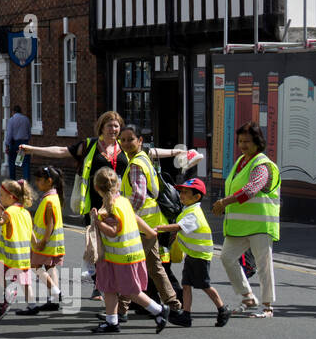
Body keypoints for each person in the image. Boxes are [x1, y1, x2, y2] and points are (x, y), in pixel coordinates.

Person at [24, 110, 127, 286]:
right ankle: (99, 284)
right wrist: (33, 149)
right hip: (94, 204)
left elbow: (149, 152)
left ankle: (113, 282)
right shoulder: (89, 145)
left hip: (119, 204)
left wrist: (176, 153)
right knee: (97, 246)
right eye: (110, 125)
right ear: (101, 127)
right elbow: (62, 151)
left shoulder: (123, 146)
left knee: (116, 244)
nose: (113, 129)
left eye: (116, 126)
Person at [118, 124, 185, 324]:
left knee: (128, 265)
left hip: (141, 225)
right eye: (123, 140)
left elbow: (138, 197)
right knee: (155, 268)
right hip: (152, 224)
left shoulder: (137, 164)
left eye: (131, 139)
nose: (126, 143)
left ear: (140, 141)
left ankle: (119, 313)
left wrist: (120, 211)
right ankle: (175, 308)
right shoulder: (143, 158)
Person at [89, 168, 169, 333]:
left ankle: (159, 310)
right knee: (109, 288)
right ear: (117, 184)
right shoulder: (124, 201)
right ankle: (112, 322)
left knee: (130, 291)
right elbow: (136, 218)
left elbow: (113, 231)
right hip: (120, 256)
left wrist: (97, 222)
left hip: (121, 257)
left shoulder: (110, 208)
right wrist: (150, 232)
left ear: (96, 188)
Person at [213, 122, 281, 318]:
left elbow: (252, 189)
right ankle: (247, 296)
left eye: (247, 141)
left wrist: (224, 202)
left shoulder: (262, 164)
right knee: (226, 258)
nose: (243, 145)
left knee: (263, 265)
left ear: (258, 142)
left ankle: (267, 306)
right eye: (240, 141)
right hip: (240, 226)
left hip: (260, 223)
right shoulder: (241, 161)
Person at [155, 178, 231, 327]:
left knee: (204, 285)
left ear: (196, 197)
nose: (181, 195)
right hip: (193, 254)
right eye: (181, 191)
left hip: (200, 256)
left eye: (185, 192)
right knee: (186, 284)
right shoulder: (188, 209)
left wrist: (158, 228)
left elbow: (178, 227)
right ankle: (186, 314)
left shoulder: (194, 213)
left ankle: (222, 309)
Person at [18, 166, 65, 314]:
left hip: (44, 243)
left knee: (35, 267)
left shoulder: (49, 201)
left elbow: (49, 223)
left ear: (49, 181)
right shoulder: (54, 197)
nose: (37, 183)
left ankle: (56, 292)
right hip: (54, 243)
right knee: (50, 268)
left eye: (39, 180)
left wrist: (42, 241)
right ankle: (54, 300)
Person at [0, 178, 36, 320]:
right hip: (23, 256)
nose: (0, 198)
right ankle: (32, 306)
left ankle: (3, 301)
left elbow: (0, 222)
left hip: (9, 256)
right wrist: (37, 244)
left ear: (11, 197)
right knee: (25, 282)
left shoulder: (9, 212)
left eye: (2, 196)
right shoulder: (25, 213)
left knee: (1, 277)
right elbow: (31, 233)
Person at [3, 105, 31, 181]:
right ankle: (26, 179)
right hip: (23, 143)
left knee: (12, 162)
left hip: (15, 143)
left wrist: (7, 145)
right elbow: (29, 132)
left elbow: (9, 134)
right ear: (20, 111)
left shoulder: (11, 120)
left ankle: (13, 180)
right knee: (24, 162)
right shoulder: (26, 119)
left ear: (13, 112)